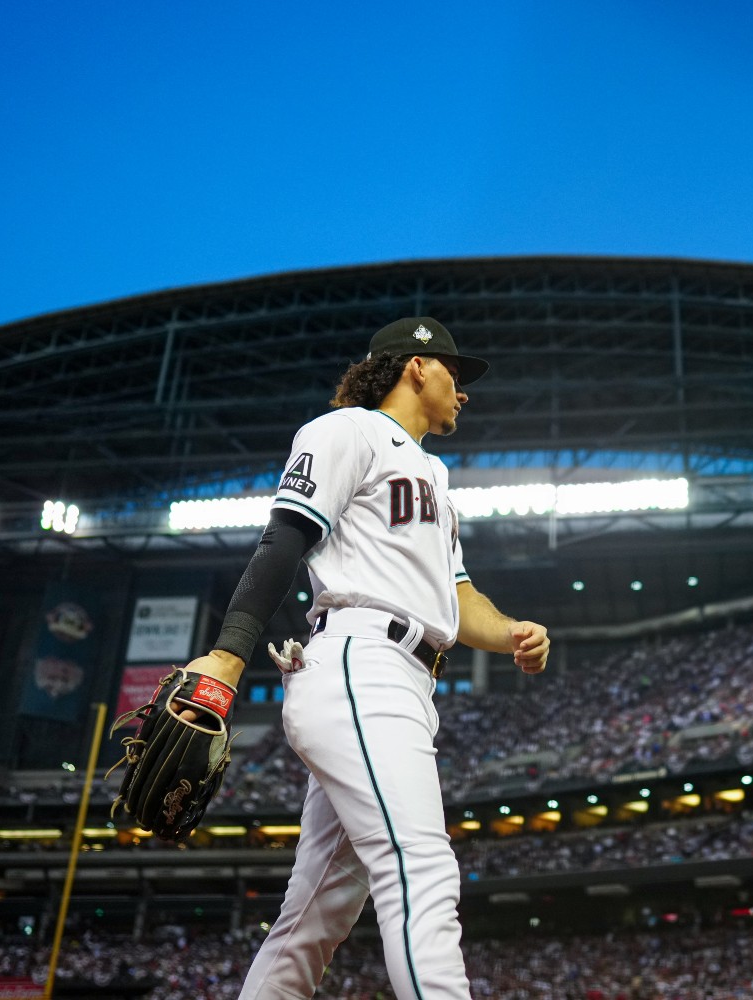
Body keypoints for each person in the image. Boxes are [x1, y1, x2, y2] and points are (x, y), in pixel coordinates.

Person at [179, 316, 550, 1000]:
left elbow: (458, 596)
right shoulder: (345, 429)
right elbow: (282, 540)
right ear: (415, 366)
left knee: (314, 916)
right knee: (421, 867)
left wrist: (511, 632)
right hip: (360, 664)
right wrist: (229, 657)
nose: (461, 389)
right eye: (452, 372)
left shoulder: (434, 473)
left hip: (404, 681)